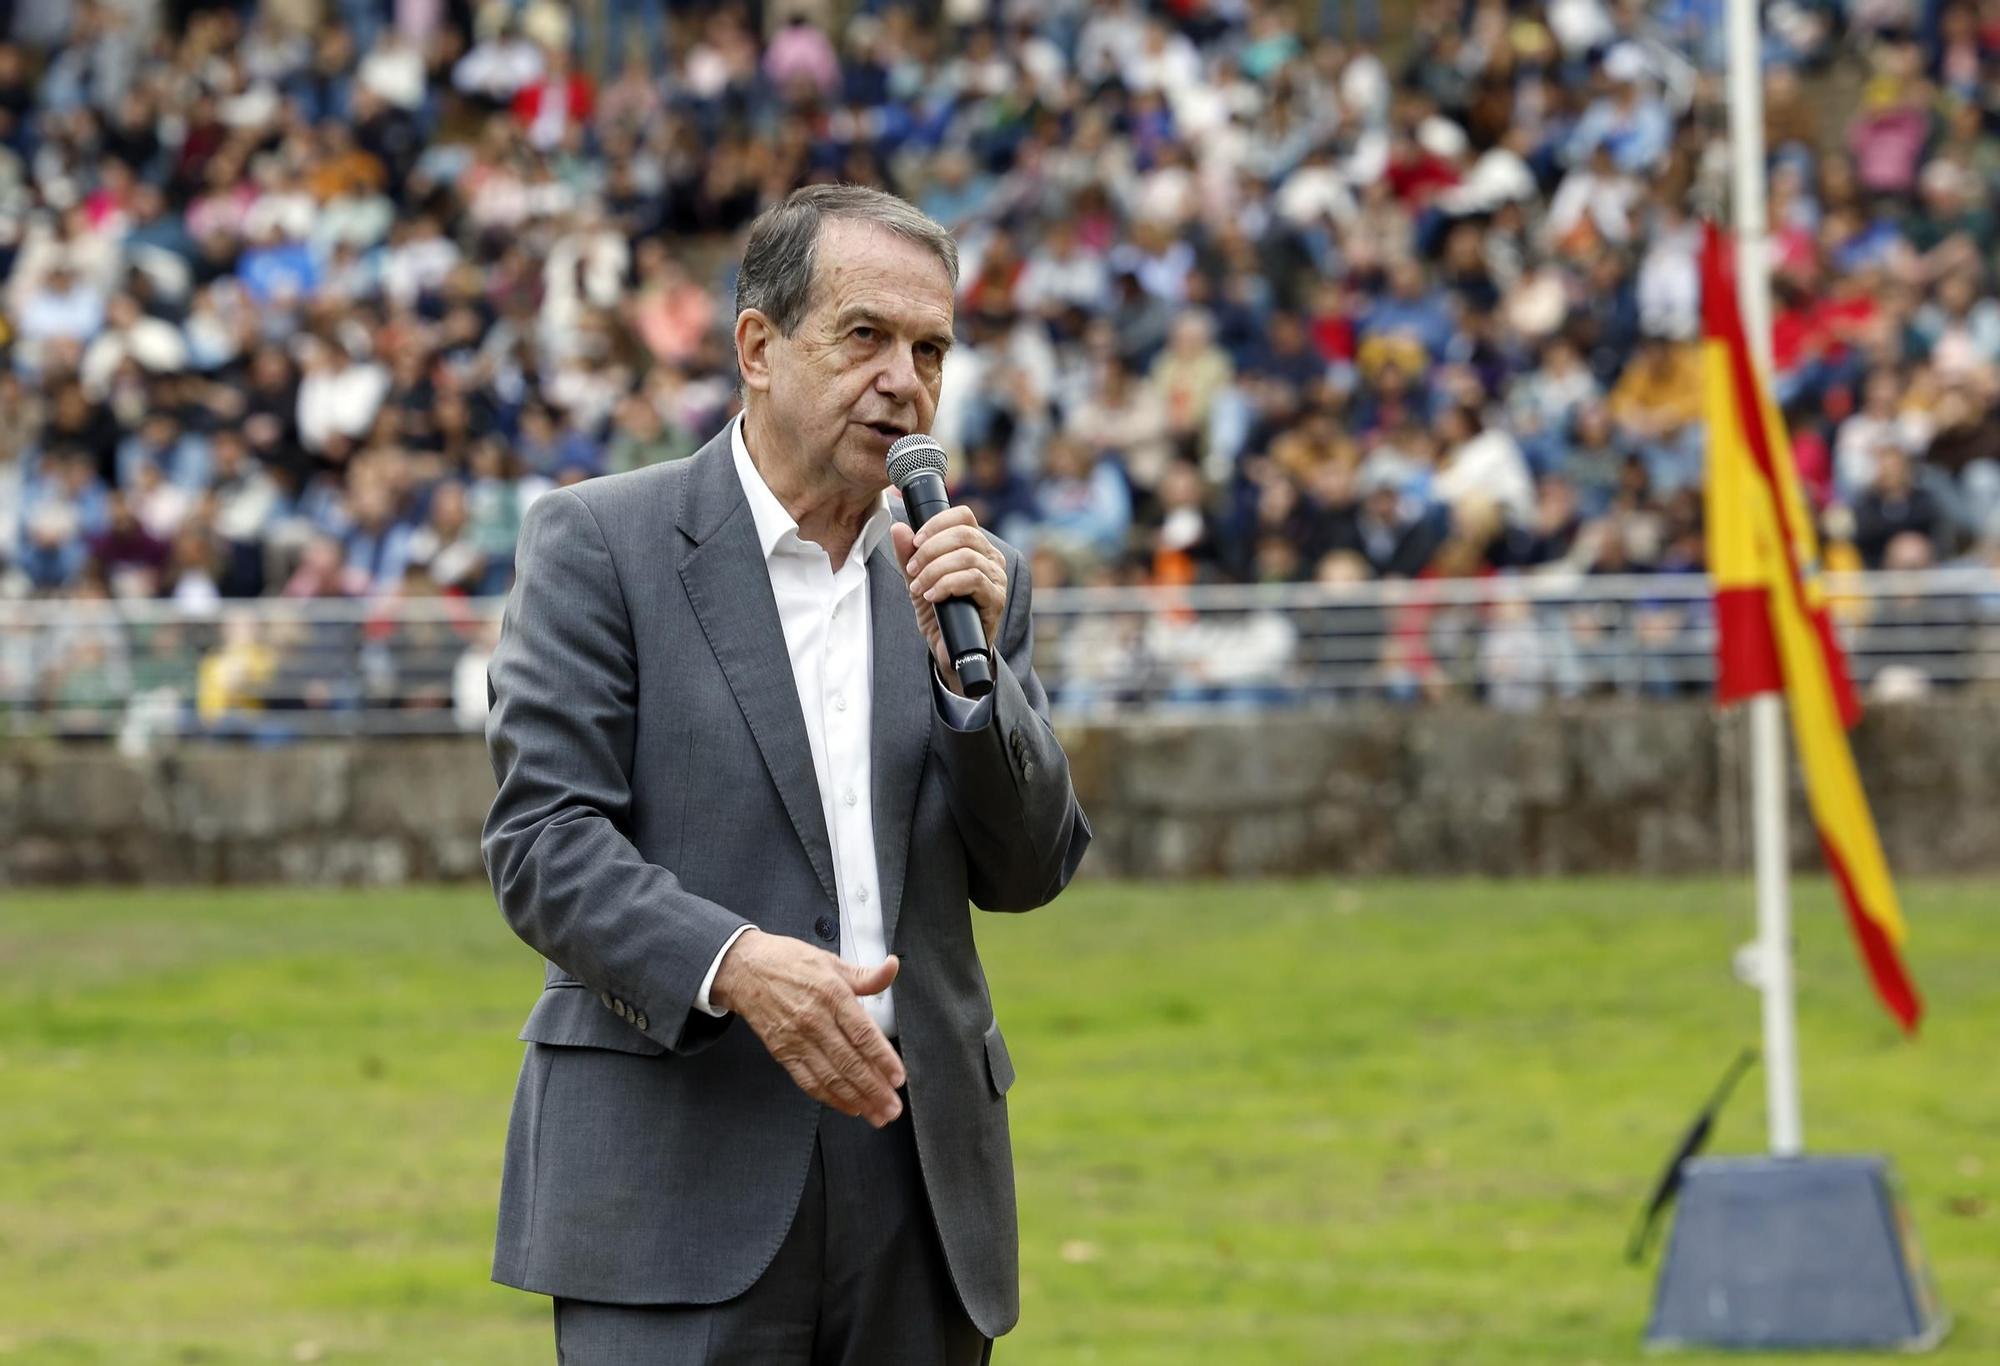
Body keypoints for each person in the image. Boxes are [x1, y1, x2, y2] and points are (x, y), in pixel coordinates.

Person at [481, 184, 1092, 1363]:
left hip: (920, 1183)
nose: (903, 381)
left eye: (930, 349)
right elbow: (544, 843)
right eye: (863, 336)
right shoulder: (599, 543)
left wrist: (978, 690)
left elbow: (1026, 871)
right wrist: (735, 963)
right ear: (757, 348)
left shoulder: (961, 575)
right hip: (679, 1168)